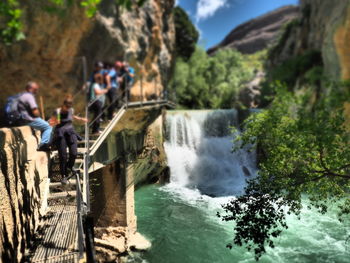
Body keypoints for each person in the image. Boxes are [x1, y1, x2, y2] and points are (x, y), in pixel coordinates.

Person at [49, 95, 87, 181]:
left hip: (70, 133)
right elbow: (55, 121)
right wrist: (55, 120)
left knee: (74, 153)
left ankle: (69, 166)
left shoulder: (71, 110)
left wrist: (81, 119)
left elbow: (72, 116)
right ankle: (64, 176)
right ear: (64, 104)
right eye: (67, 105)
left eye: (70, 105)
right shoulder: (58, 111)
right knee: (63, 156)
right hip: (60, 134)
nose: (68, 107)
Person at [18, 81, 52, 151]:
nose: (36, 91)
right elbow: (35, 110)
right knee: (48, 127)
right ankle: (43, 145)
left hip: (22, 118)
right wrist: (38, 116)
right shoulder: (29, 96)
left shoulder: (22, 95)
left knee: (45, 125)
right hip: (29, 119)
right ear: (30, 88)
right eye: (35, 89)